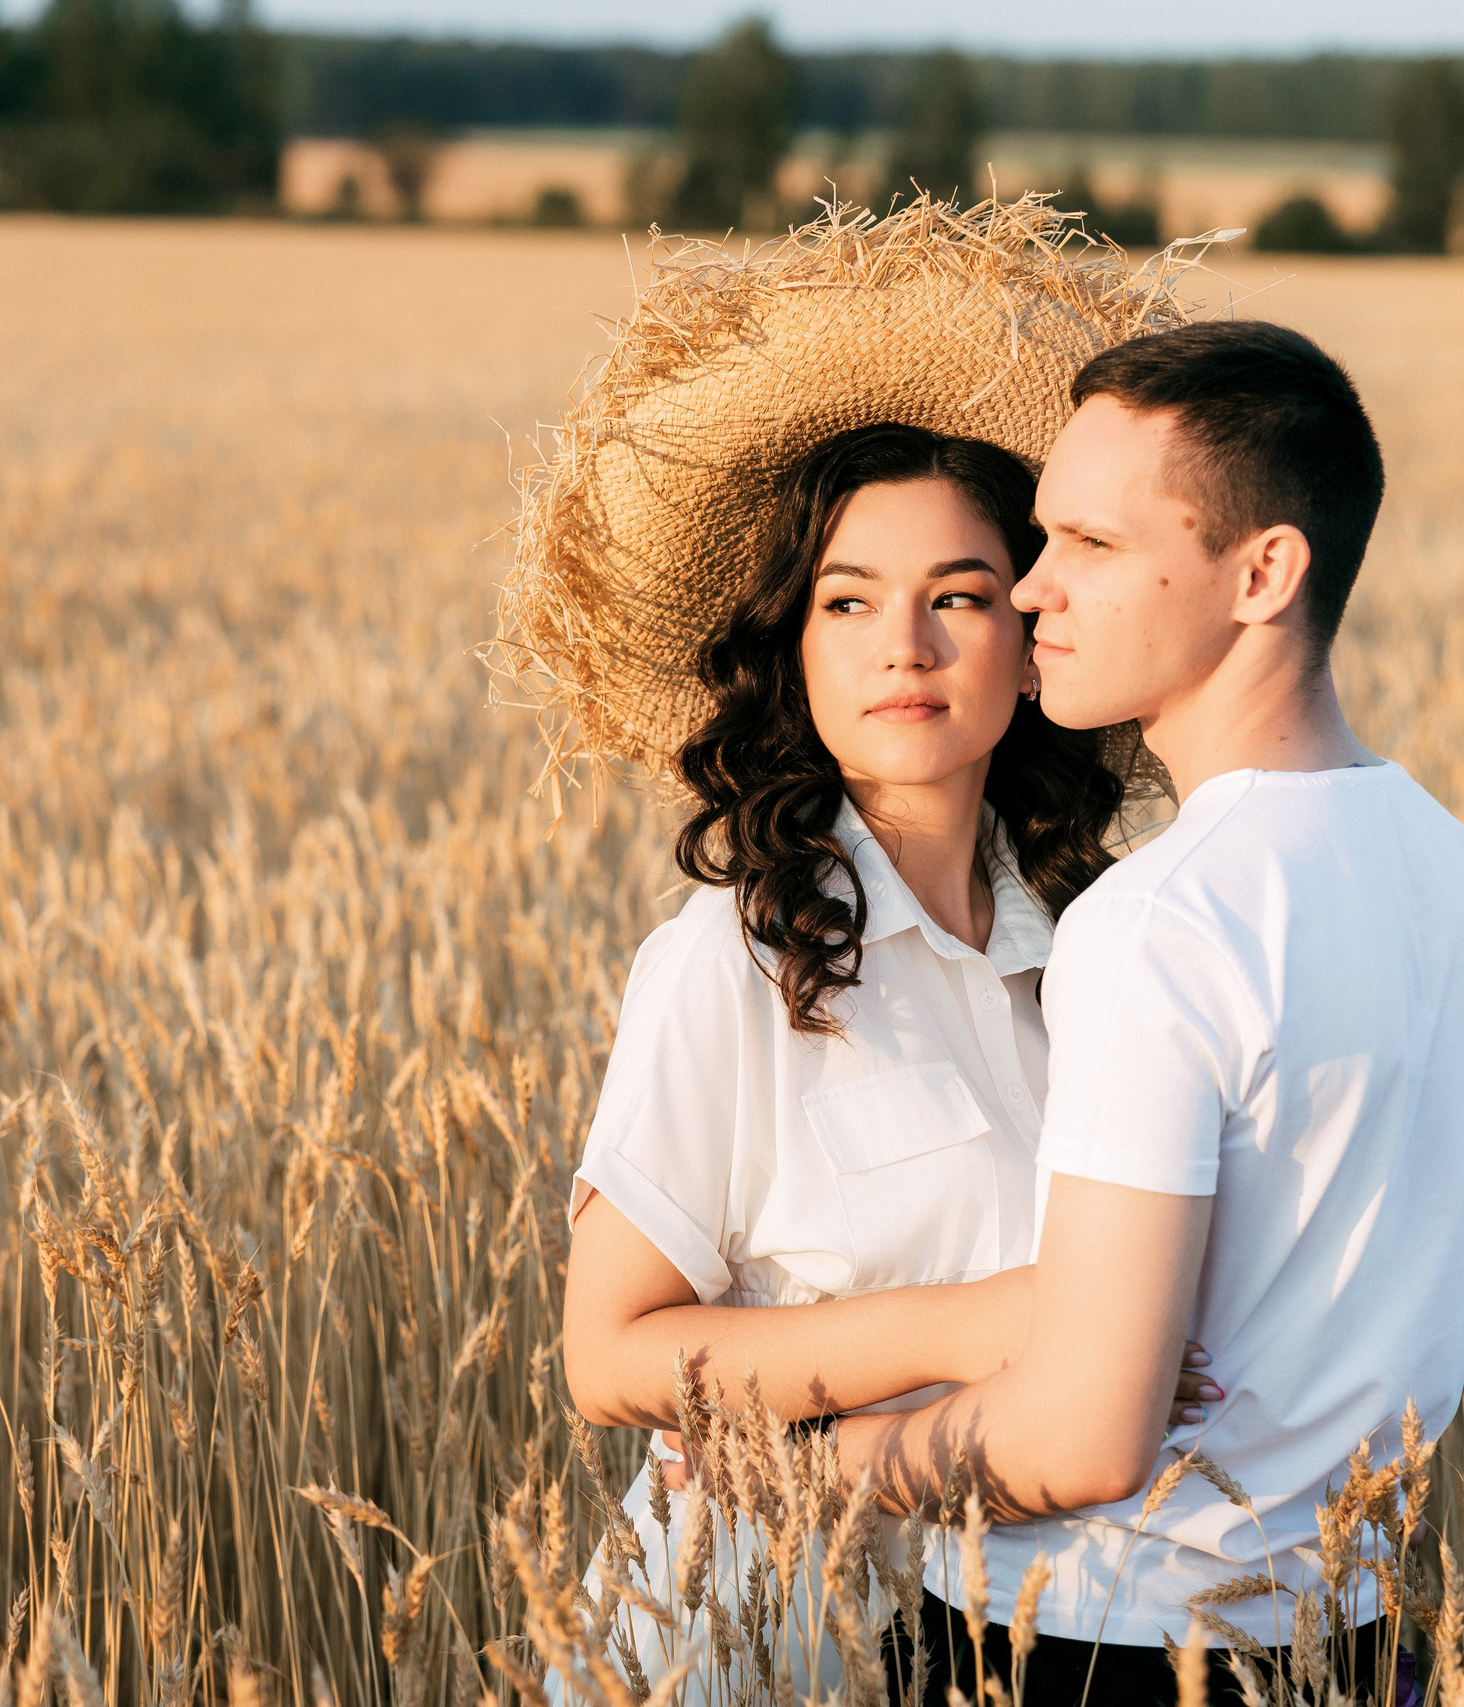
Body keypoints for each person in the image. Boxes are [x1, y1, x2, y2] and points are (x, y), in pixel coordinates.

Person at [491, 197, 1210, 1705]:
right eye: (849, 602)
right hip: (743, 1640)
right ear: (792, 648)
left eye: (959, 598)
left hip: (1007, 1644)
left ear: (1031, 631)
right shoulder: (734, 960)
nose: (908, 647)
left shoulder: (1099, 958)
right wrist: (997, 1323)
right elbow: (607, 1357)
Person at [826, 321, 1464, 1706]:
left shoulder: (1162, 924)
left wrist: (807, 1464)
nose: (1032, 590)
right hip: (1338, 1644)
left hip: (1081, 1645)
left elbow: (1086, 1443)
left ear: (1264, 571)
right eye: (1041, 540)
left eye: (1091, 545)